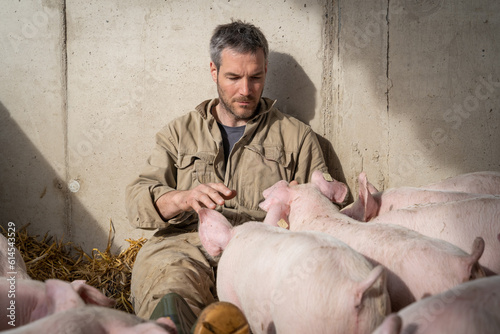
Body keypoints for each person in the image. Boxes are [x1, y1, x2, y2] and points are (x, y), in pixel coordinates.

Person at [125, 20, 335, 325]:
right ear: (214, 71)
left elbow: (325, 213)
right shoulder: (179, 133)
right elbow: (137, 201)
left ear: (266, 72)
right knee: (169, 291)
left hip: (261, 249)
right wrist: (183, 198)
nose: (245, 90)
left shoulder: (296, 136)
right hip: (184, 247)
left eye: (256, 77)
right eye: (233, 77)